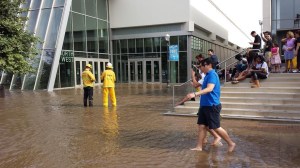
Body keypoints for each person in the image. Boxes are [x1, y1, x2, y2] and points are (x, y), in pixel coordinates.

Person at [189, 58, 236, 152]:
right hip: (205, 105)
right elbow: (198, 86)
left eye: (202, 66)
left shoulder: (212, 75)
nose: (201, 68)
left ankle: (231, 143)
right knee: (201, 126)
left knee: (216, 127)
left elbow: (210, 88)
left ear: (208, 65)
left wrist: (195, 94)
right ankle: (199, 147)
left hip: (212, 105)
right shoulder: (206, 75)